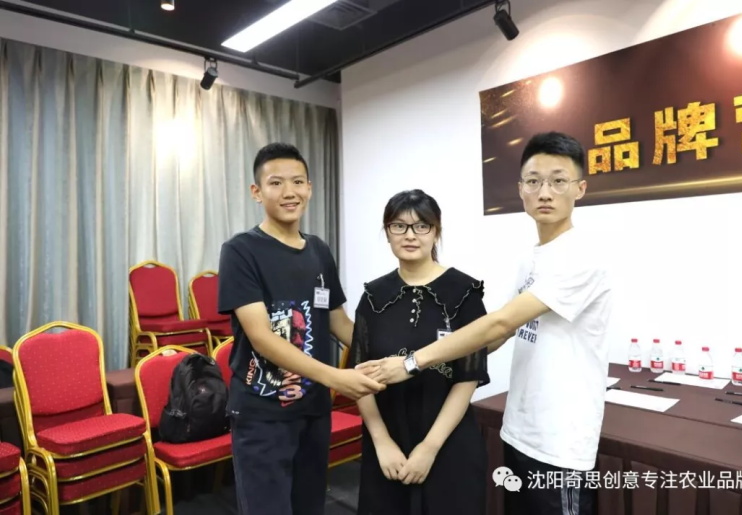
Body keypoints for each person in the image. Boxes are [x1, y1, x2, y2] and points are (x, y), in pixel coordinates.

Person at [359, 132, 613, 515]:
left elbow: (499, 324)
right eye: (534, 181)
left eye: (558, 181)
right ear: (521, 189)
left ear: (580, 188)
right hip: (520, 430)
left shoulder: (582, 256)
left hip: (560, 440)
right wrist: (454, 353)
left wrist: (412, 362)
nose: (545, 192)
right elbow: (499, 334)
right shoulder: (533, 259)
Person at [217, 142, 384, 515]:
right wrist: (336, 377)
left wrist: (390, 353)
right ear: (257, 192)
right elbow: (261, 337)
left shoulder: (319, 250)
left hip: (313, 409)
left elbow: (338, 321)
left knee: (309, 506)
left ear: (309, 187)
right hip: (262, 414)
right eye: (276, 183)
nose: (289, 192)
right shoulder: (241, 251)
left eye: (297, 182)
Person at [349, 189, 490, 515]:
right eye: (399, 226)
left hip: (448, 438)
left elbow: (467, 378)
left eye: (421, 226)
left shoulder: (464, 293)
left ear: (436, 231)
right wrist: (382, 441)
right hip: (388, 439)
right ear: (387, 232)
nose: (410, 235)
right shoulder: (373, 296)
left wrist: (430, 447)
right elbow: (360, 376)